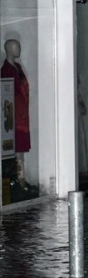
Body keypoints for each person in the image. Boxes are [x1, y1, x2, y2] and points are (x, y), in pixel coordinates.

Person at [2, 39, 30, 184]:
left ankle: (21, 179)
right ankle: (19, 179)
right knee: (15, 147)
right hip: (13, 117)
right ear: (9, 49)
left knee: (21, 149)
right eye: (16, 47)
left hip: (22, 114)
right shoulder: (6, 71)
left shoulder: (18, 67)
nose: (18, 49)